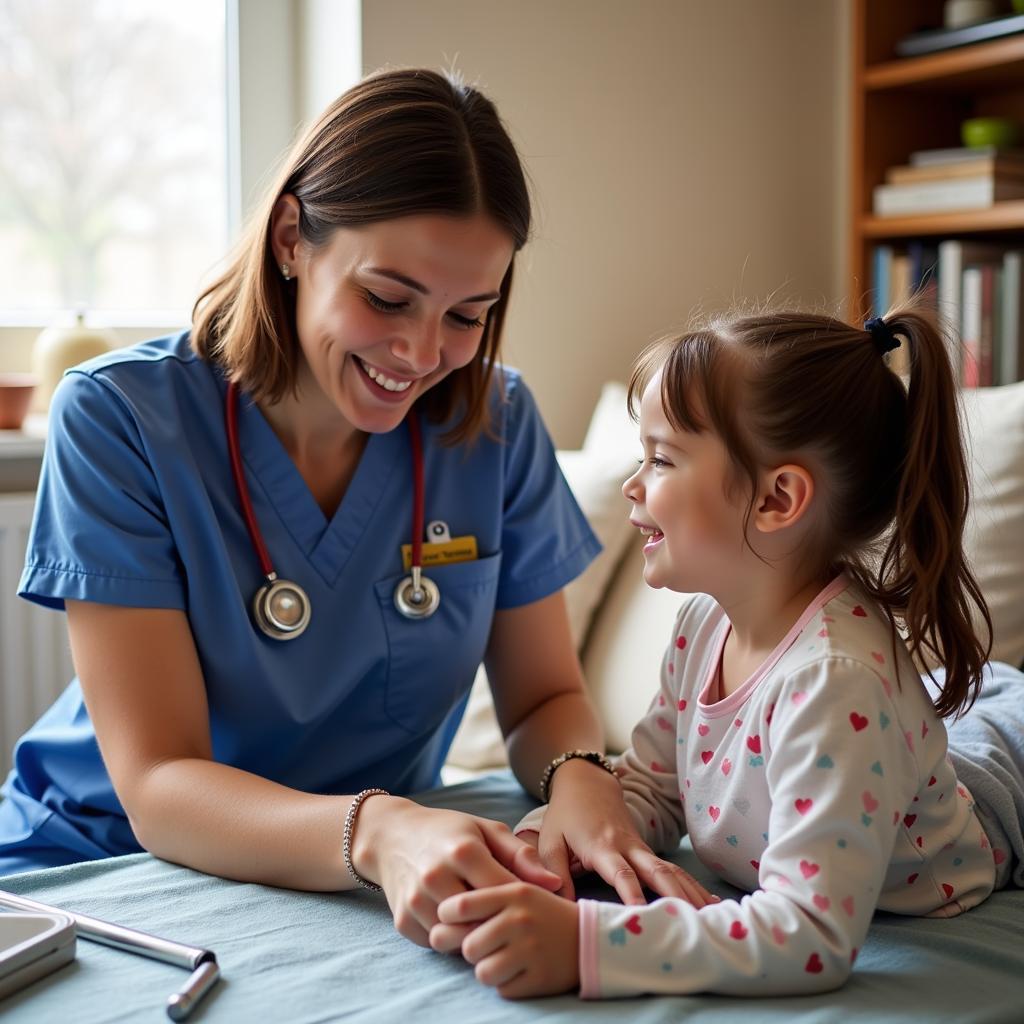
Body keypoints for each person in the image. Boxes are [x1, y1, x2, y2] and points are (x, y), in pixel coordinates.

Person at [0, 68, 715, 944]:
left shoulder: (496, 422)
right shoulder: (121, 417)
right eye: (387, 299)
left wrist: (580, 781)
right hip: (103, 860)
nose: (420, 353)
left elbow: (543, 700)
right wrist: (376, 829)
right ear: (294, 237)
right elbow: (158, 785)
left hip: (355, 866)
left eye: (468, 315)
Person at [429, 305, 1024, 998]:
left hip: (997, 788)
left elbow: (809, 936)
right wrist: (542, 850)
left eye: (661, 458)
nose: (632, 483)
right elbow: (657, 786)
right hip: (928, 744)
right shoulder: (702, 626)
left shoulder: (833, 685)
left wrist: (587, 945)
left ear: (777, 498)